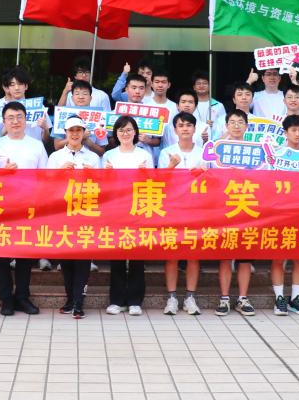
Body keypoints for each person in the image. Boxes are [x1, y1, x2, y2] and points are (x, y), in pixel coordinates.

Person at [0, 101, 47, 315]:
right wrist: (1, 172)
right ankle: (6, 299)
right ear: (3, 121)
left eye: (19, 117)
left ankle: (22, 297)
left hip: (28, 207)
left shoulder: (36, 145)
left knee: (25, 254)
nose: (15, 121)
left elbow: (45, 176)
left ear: (26, 119)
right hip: (1, 207)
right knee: (1, 256)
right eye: (10, 118)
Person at [47, 116, 101, 319]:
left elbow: (104, 186)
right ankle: (70, 299)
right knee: (66, 259)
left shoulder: (93, 158)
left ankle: (79, 301)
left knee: (83, 259)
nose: (75, 134)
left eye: (79, 130)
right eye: (71, 130)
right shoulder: (55, 157)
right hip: (62, 213)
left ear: (84, 133)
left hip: (85, 213)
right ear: (65, 133)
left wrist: (93, 175)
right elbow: (45, 184)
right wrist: (59, 172)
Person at [102, 116, 152, 317]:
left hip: (138, 209)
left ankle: (135, 301)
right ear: (116, 133)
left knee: (137, 258)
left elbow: (153, 183)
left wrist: (145, 174)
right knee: (117, 257)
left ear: (135, 132)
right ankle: (116, 300)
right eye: (121, 130)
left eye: (129, 130)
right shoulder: (109, 155)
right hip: (115, 210)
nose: (125, 134)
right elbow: (102, 185)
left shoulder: (144, 154)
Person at [159, 112, 208, 316]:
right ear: (175, 129)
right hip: (173, 209)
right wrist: (171, 166)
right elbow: (159, 183)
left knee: (193, 255)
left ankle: (190, 297)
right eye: (181, 125)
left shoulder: (205, 153)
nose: (185, 129)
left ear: (195, 129)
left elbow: (214, 182)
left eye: (189, 125)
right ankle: (172, 298)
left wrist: (204, 174)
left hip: (197, 210)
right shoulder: (166, 152)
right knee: (172, 254)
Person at [267, 115, 299, 316]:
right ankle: (279, 299)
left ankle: (295, 298)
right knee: (278, 258)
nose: (297, 134)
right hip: (280, 213)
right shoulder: (276, 155)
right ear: (285, 133)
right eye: (293, 130)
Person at [213, 109, 256, 317]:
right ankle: (224, 298)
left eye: (240, 122)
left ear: (247, 126)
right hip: (224, 208)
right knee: (225, 255)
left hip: (248, 207)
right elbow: (207, 173)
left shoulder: (255, 149)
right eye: (232, 122)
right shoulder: (216, 149)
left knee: (245, 256)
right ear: (226, 125)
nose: (236, 126)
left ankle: (242, 298)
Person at [52, 80, 108, 157]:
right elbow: (57, 146)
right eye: (77, 93)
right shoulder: (62, 115)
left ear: (91, 98)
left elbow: (102, 151)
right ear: (72, 98)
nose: (81, 97)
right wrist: (80, 137)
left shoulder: (99, 118)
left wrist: (88, 141)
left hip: (90, 160)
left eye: (85, 94)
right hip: (66, 159)